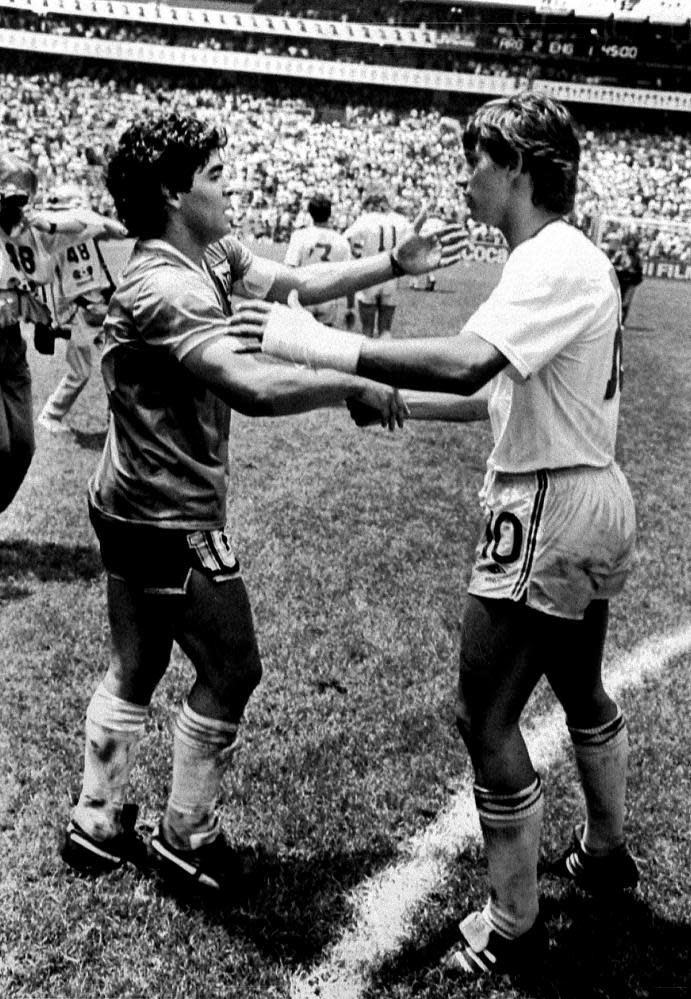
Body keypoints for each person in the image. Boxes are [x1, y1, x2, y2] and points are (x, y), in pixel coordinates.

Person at [231, 93, 638, 978]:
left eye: (477, 160)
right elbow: (486, 394)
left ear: (519, 167)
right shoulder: (567, 258)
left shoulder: (548, 257)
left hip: (545, 505)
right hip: (590, 490)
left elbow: (466, 359)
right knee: (576, 683)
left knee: (481, 715)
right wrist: (386, 396)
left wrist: (318, 346)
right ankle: (605, 854)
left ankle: (513, 921)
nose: (465, 176)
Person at [61, 113, 463, 893]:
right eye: (214, 174)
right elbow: (248, 384)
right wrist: (348, 379)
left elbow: (298, 285)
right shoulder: (166, 285)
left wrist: (393, 261)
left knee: (136, 663)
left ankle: (97, 820)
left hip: (123, 498)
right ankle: (188, 831)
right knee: (233, 667)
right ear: (176, 193)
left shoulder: (205, 251)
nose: (230, 183)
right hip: (167, 511)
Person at [0, 153, 126, 511]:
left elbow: (94, 222)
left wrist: (48, 222)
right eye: (7, 196)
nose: (14, 204)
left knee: (22, 448)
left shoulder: (38, 231)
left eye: (21, 198)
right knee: (1, 446)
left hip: (11, 340)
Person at [38, 183, 121, 434]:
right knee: (80, 371)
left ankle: (116, 420)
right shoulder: (54, 237)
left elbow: (117, 231)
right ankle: (50, 414)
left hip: (98, 303)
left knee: (116, 363)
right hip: (77, 309)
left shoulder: (86, 230)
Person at [344, 189, 411, 338]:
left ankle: (367, 360)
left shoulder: (367, 219)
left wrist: (355, 253)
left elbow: (346, 237)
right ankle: (384, 358)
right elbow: (411, 241)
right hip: (392, 273)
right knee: (385, 330)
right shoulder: (401, 220)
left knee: (367, 329)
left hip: (371, 272)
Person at [283, 192, 353, 328]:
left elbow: (289, 270)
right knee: (323, 341)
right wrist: (350, 307)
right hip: (328, 295)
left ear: (310, 213)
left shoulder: (300, 236)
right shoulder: (341, 240)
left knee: (302, 339)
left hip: (305, 293)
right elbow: (349, 276)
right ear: (330, 213)